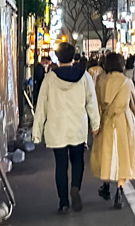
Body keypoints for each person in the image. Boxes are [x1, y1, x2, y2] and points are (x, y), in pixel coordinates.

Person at [32, 42, 100, 213]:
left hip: (57, 128)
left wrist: (37, 133)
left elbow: (41, 106)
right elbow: (92, 102)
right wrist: (95, 124)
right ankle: (75, 187)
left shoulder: (50, 78)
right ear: (73, 55)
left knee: (61, 165)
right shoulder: (84, 76)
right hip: (78, 126)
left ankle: (63, 202)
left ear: (58, 56)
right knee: (78, 161)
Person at [91, 52, 135, 209]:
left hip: (106, 120)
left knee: (107, 153)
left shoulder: (101, 82)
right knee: (123, 155)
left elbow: (97, 104)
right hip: (123, 120)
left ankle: (106, 186)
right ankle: (120, 190)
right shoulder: (126, 82)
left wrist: (95, 124)